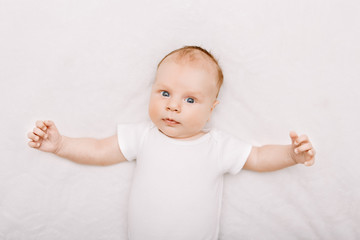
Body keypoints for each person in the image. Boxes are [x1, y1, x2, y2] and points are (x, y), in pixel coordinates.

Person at [27, 46, 316, 240]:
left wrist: (292, 155)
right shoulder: (142, 136)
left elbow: (259, 157)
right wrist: (61, 144)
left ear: (211, 109)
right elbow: (100, 150)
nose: (173, 106)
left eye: (190, 100)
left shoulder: (217, 146)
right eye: (164, 93)